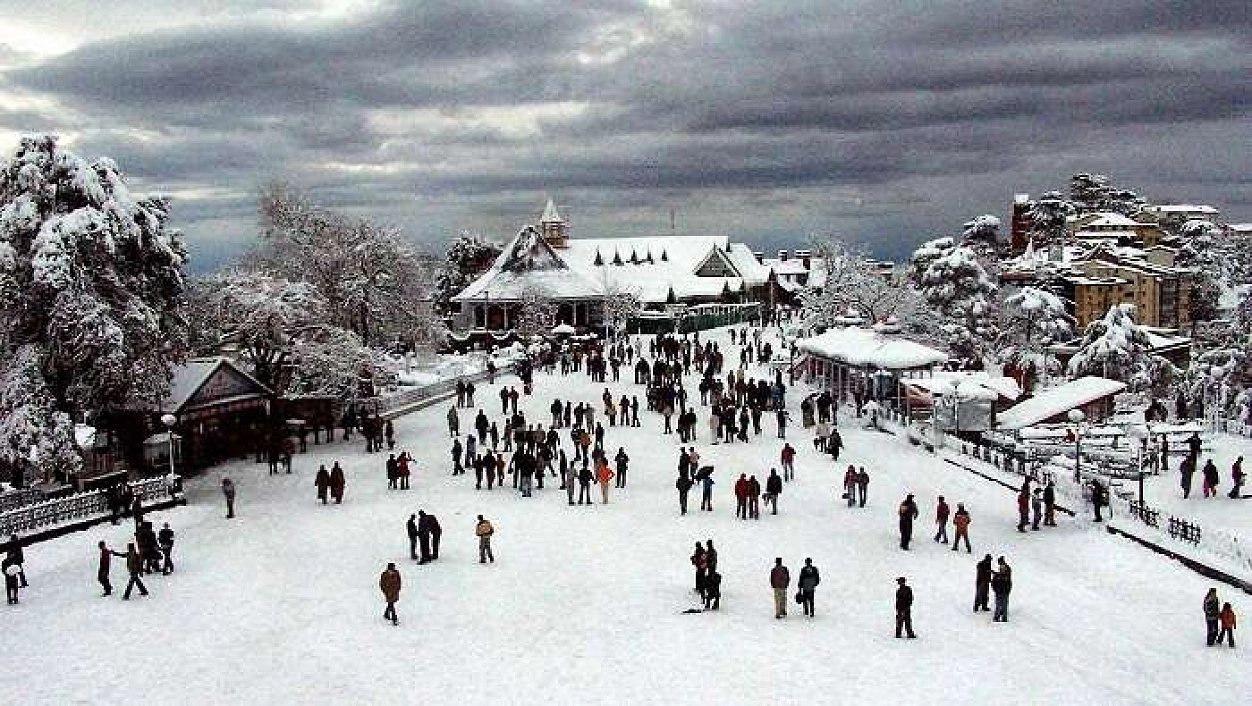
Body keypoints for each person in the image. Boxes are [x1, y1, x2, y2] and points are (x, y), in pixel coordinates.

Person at [991, 556, 1012, 622]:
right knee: (999, 605)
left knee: (1003, 605)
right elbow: (993, 584)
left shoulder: (1005, 574)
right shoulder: (998, 576)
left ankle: (1003, 617)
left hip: (1004, 592)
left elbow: (1009, 584)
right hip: (999, 592)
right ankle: (998, 616)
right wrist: (995, 590)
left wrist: (1008, 591)